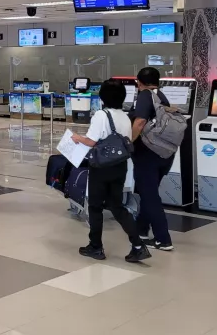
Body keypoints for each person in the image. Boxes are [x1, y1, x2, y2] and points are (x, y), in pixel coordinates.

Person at [71, 79, 151, 263]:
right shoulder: (124, 116)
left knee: (96, 206)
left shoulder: (101, 115)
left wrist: (77, 138)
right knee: (117, 206)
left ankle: (95, 247)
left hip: (101, 167)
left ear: (103, 97)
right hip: (119, 166)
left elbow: (91, 141)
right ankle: (138, 245)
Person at [131, 67, 175, 251]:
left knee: (149, 195)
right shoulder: (161, 97)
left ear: (138, 82)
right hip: (165, 153)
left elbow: (140, 122)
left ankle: (163, 239)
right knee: (148, 192)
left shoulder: (144, 95)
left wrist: (128, 142)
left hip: (147, 154)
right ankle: (141, 229)